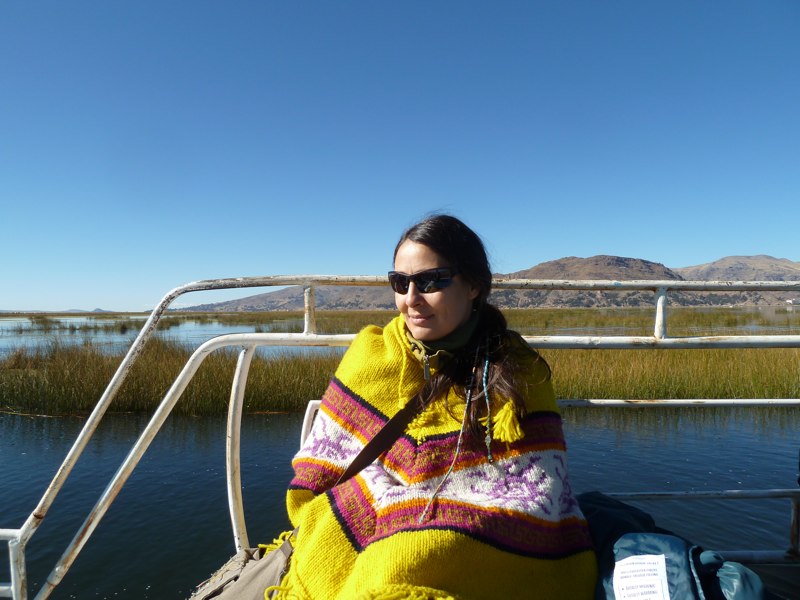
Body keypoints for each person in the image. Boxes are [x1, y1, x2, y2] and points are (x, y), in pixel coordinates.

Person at [274, 215, 597, 599]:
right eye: (400, 282)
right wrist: (388, 494)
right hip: (366, 507)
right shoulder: (370, 354)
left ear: (474, 284)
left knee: (402, 561)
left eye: (432, 281)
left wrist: (427, 516)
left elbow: (537, 489)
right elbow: (326, 465)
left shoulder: (516, 369)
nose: (411, 298)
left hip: (481, 528)